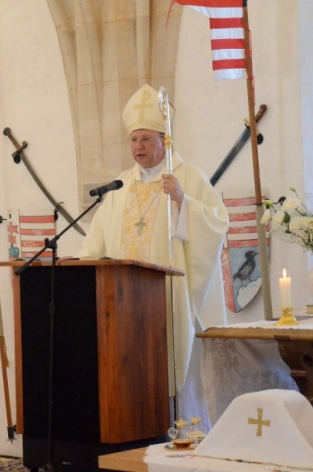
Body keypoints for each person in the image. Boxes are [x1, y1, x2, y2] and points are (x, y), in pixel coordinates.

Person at [79, 84, 229, 422]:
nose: (138, 147)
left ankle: (183, 430)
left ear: (165, 141)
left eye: (146, 139)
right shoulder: (119, 186)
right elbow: (95, 242)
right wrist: (81, 267)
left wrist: (183, 201)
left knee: (175, 371)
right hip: (124, 305)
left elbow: (217, 223)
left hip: (169, 300)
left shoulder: (188, 177)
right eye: (134, 140)